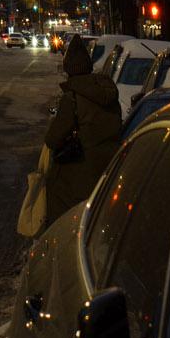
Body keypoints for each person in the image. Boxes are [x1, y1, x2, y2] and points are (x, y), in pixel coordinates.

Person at [40, 35, 122, 227]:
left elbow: (53, 139)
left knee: (56, 194)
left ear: (70, 70)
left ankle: (58, 235)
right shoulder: (110, 94)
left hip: (81, 173)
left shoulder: (73, 98)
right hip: (110, 168)